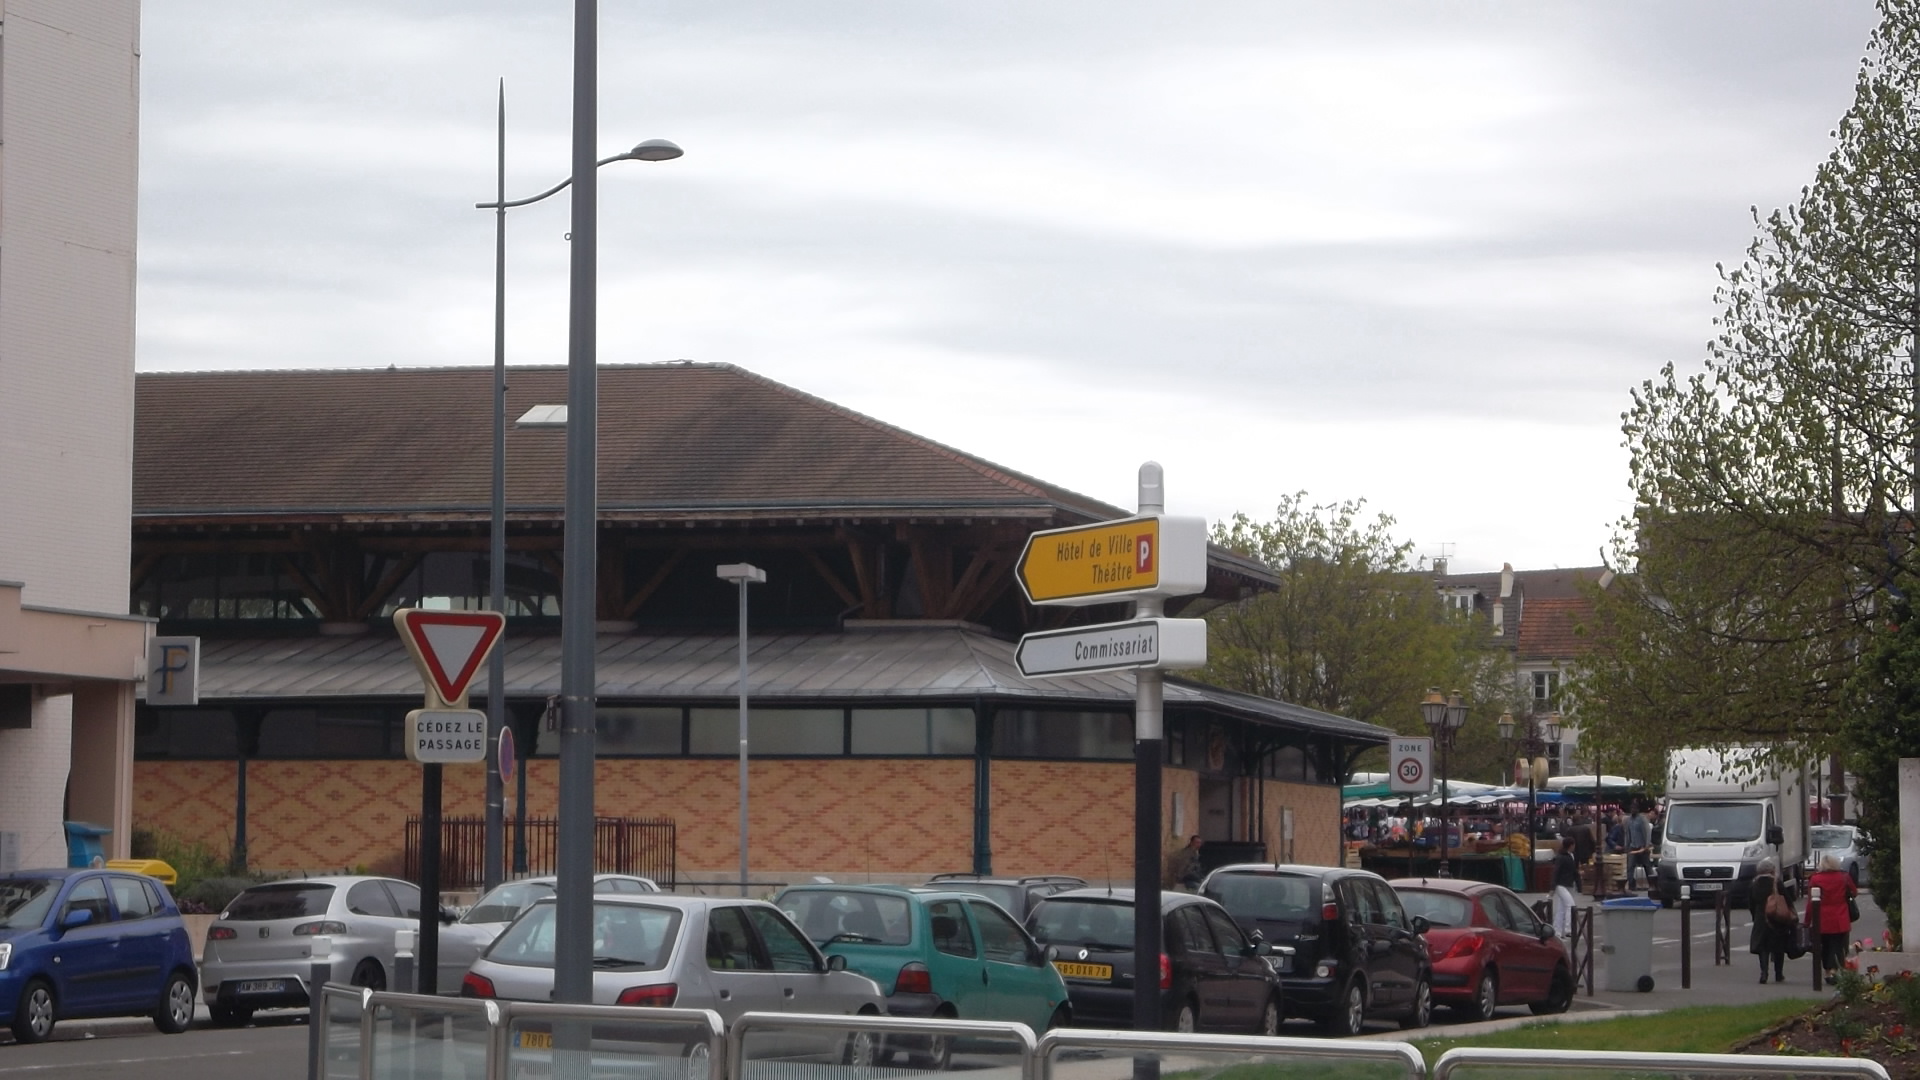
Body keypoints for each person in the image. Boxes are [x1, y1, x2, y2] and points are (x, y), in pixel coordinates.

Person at [1806, 852, 1859, 985]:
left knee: (1824, 946)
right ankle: (1834, 970)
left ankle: (1828, 971)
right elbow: (1854, 892)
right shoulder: (1844, 877)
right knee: (1838, 946)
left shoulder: (1815, 879)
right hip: (1840, 917)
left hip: (1822, 918)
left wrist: (1807, 921)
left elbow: (1811, 902)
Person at [1748, 857, 1790, 984]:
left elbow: (1751, 903)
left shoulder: (1754, 884)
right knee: (1778, 947)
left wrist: (1755, 916)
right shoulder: (1776, 883)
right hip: (1776, 918)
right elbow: (1787, 899)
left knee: (1763, 948)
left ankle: (1764, 972)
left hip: (1761, 918)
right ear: (1772, 870)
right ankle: (1779, 974)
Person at [1551, 834, 1580, 942]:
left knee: (1561, 908)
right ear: (1571, 845)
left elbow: (1574, 871)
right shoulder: (1561, 857)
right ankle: (1568, 929)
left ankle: (1557, 931)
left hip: (1568, 884)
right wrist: (1553, 887)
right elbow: (1556, 872)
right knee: (1570, 905)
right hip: (1561, 884)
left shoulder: (1570, 855)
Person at [1625, 804, 1653, 892]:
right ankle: (1631, 885)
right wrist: (1627, 845)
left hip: (1642, 847)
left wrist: (1647, 844)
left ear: (1637, 810)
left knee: (1647, 867)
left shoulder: (1642, 819)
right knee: (1630, 867)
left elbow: (1647, 832)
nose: (1632, 810)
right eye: (1631, 809)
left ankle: (1653, 885)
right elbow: (1627, 833)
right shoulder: (1629, 820)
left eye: (1634, 809)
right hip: (1633, 847)